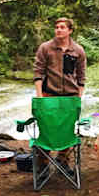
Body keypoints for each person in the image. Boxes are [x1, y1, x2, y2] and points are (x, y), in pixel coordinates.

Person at [32, 17, 87, 172]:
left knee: (67, 129)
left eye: (62, 27)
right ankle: (42, 164)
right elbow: (38, 72)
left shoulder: (78, 50)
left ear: (70, 30)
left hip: (70, 96)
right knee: (47, 130)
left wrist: (78, 97)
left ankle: (63, 161)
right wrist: (40, 96)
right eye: (57, 27)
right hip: (49, 94)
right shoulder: (45, 48)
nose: (58, 30)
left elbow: (82, 76)